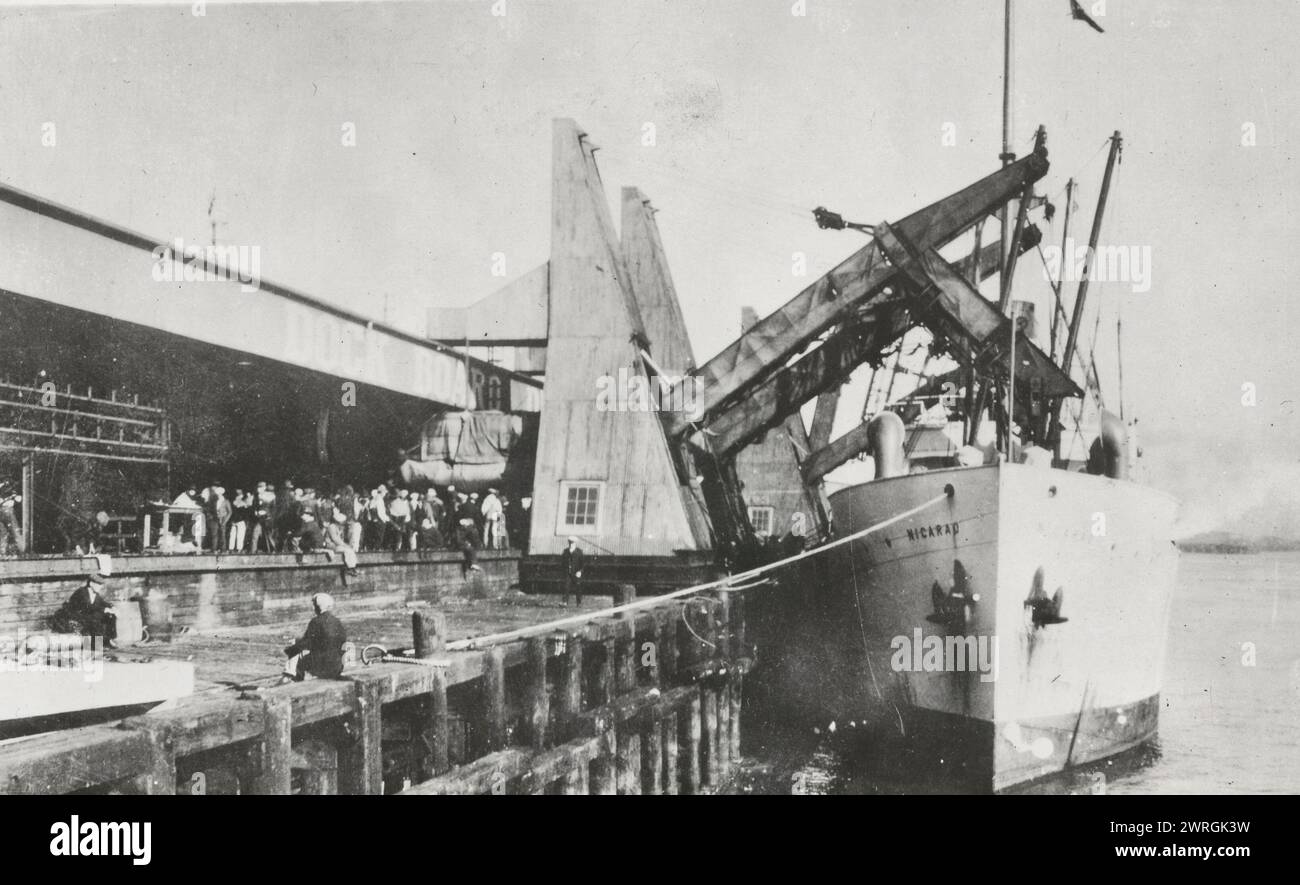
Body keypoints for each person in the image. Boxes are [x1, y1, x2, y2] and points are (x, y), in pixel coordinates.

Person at [282, 592, 347, 681]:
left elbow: (307, 643)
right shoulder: (337, 621)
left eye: (314, 605)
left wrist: (290, 650)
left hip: (323, 666)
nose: (313, 608)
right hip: (338, 665)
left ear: (319, 606)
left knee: (297, 656)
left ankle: (294, 681)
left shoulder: (316, 621)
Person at [50, 571, 117, 648]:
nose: (100, 587)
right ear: (91, 584)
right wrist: (103, 609)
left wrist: (112, 607)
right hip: (75, 616)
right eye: (99, 585)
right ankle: (96, 645)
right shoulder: (81, 592)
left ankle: (108, 640)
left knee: (111, 616)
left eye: (101, 585)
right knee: (95, 619)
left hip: (87, 615)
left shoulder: (95, 594)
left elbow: (102, 602)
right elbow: (87, 607)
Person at [324, 510, 360, 575]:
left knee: (349, 550)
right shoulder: (331, 527)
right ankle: (350, 568)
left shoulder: (340, 527)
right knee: (347, 550)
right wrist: (345, 545)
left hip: (337, 545)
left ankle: (352, 567)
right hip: (331, 545)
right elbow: (335, 539)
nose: (343, 523)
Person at [560, 535, 585, 606]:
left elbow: (582, 564)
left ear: (575, 543)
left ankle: (579, 602)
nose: (571, 544)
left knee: (578, 587)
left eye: (572, 543)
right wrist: (564, 571)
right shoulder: (565, 551)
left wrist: (580, 571)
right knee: (566, 586)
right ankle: (565, 602)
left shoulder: (579, 552)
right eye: (570, 543)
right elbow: (562, 563)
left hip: (576, 573)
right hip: (568, 573)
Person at [0, 483, 24, 555]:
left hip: (7, 508)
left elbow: (18, 497)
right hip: (6, 508)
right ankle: (2, 553)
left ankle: (22, 550)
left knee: (14, 531)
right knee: (5, 532)